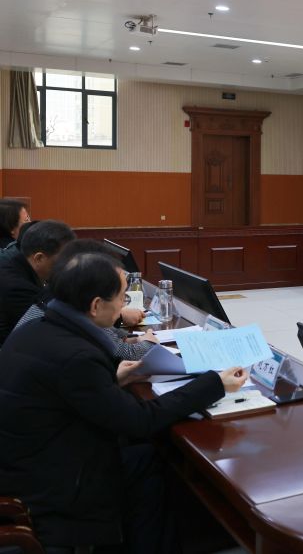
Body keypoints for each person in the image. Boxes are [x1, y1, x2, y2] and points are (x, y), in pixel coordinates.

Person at [0, 252, 248, 553]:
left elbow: (60, 393)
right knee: (149, 457)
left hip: (24, 460)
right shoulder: (77, 356)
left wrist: (113, 381)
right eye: (121, 298)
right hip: (52, 483)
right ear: (95, 305)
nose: (124, 306)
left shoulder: (37, 328)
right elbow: (140, 420)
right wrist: (214, 384)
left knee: (146, 453)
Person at [13, 238, 158, 360]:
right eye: (121, 297)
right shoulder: (77, 313)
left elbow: (110, 338)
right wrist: (149, 343)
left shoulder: (62, 298)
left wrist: (125, 330)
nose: (122, 303)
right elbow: (123, 353)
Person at [0, 219, 75, 346]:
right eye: (65, 258)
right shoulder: (17, 288)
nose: (68, 264)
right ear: (39, 258)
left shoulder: (16, 262)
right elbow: (51, 327)